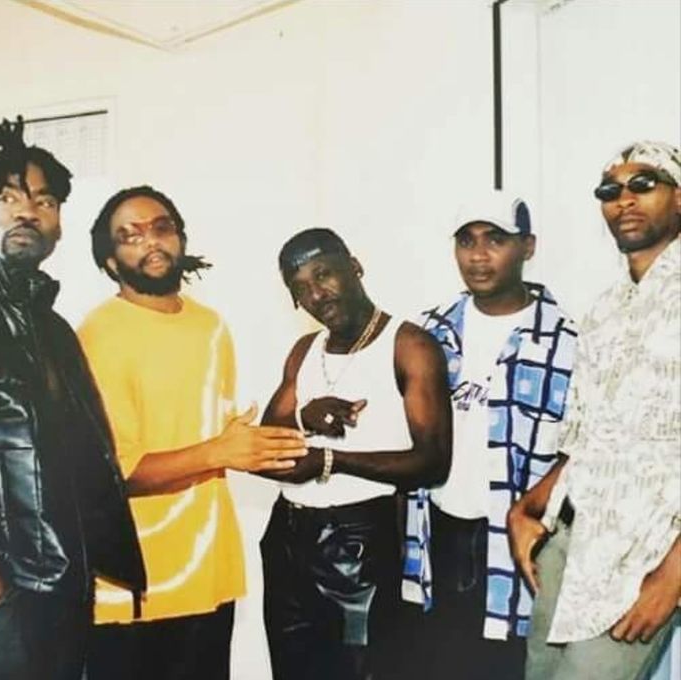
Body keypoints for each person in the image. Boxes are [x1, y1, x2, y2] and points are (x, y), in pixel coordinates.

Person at [78, 185, 306, 680]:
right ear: (111, 261)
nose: (151, 241)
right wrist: (221, 449)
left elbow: (207, 435)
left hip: (207, 567)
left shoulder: (212, 327)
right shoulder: (98, 334)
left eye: (161, 227)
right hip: (129, 577)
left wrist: (261, 440)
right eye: (130, 235)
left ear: (180, 239)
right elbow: (116, 471)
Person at [0, 116, 145, 680]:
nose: (27, 211)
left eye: (45, 200)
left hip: (59, 600)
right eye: (6, 196)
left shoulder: (54, 330)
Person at [508, 141, 681, 680]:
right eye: (610, 190)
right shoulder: (604, 309)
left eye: (644, 183)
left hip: (646, 551)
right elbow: (588, 440)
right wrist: (526, 508)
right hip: (570, 539)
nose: (624, 199)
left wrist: (674, 576)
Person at [259, 227, 452, 680]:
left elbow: (432, 460)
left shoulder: (408, 345)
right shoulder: (304, 350)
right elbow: (266, 441)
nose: (317, 293)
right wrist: (306, 417)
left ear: (355, 267)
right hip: (287, 536)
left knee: (359, 672)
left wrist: (331, 460)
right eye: (301, 287)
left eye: (324, 274)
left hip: (359, 541)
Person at [400, 194, 577, 679]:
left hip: (515, 545)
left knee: (504, 667)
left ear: (528, 247)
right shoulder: (428, 333)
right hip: (437, 534)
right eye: (467, 241)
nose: (478, 255)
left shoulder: (567, 341)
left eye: (495, 240)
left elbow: (581, 450)